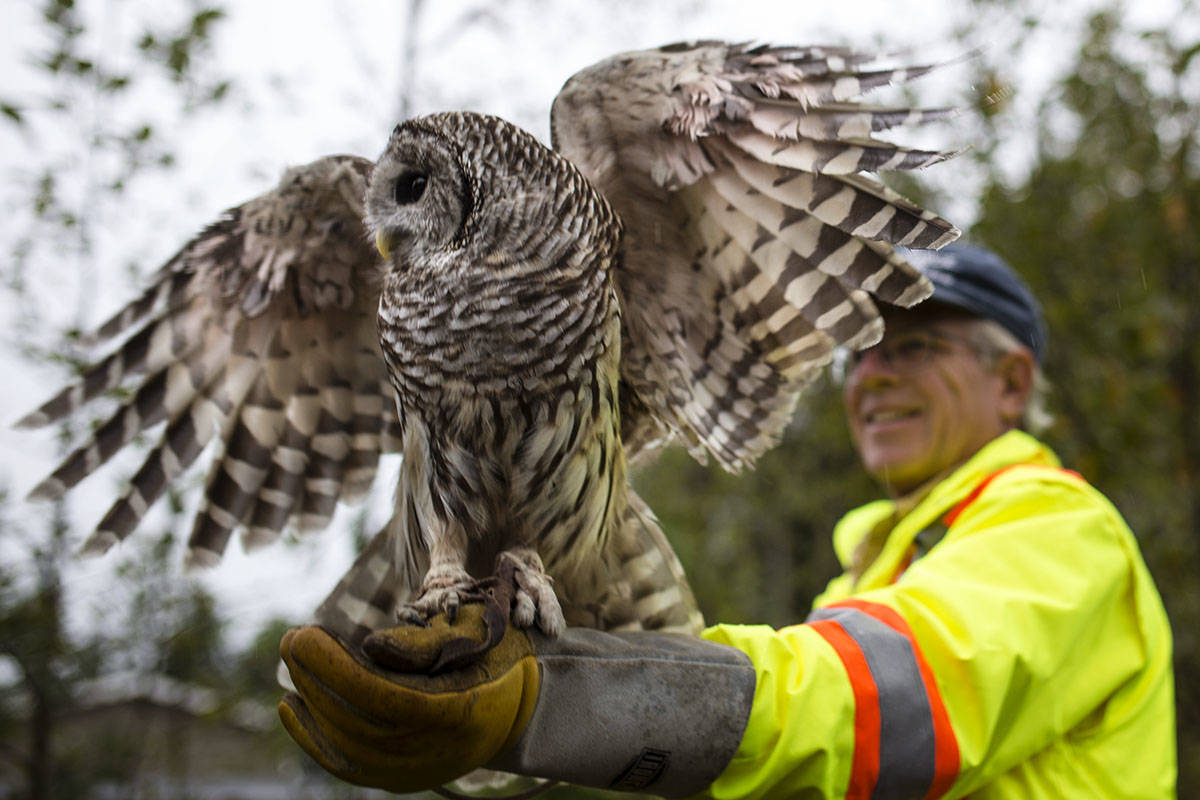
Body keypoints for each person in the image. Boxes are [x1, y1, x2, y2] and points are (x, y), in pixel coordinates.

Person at [276, 245, 1176, 798]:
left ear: (1011, 382)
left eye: (916, 348)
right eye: (856, 355)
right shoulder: (875, 566)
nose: (873, 378)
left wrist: (554, 700)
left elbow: (865, 711)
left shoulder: (1056, 526)